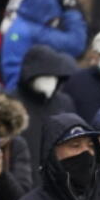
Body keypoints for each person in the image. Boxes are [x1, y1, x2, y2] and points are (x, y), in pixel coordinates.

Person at [0, 0, 87, 92]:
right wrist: (71, 10)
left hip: (18, 89)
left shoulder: (21, 23)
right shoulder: (33, 32)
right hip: (27, 93)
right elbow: (76, 44)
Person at [12, 45, 78, 180]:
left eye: (53, 76)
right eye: (44, 75)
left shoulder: (64, 103)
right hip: (23, 179)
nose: (50, 80)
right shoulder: (12, 104)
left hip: (59, 182)